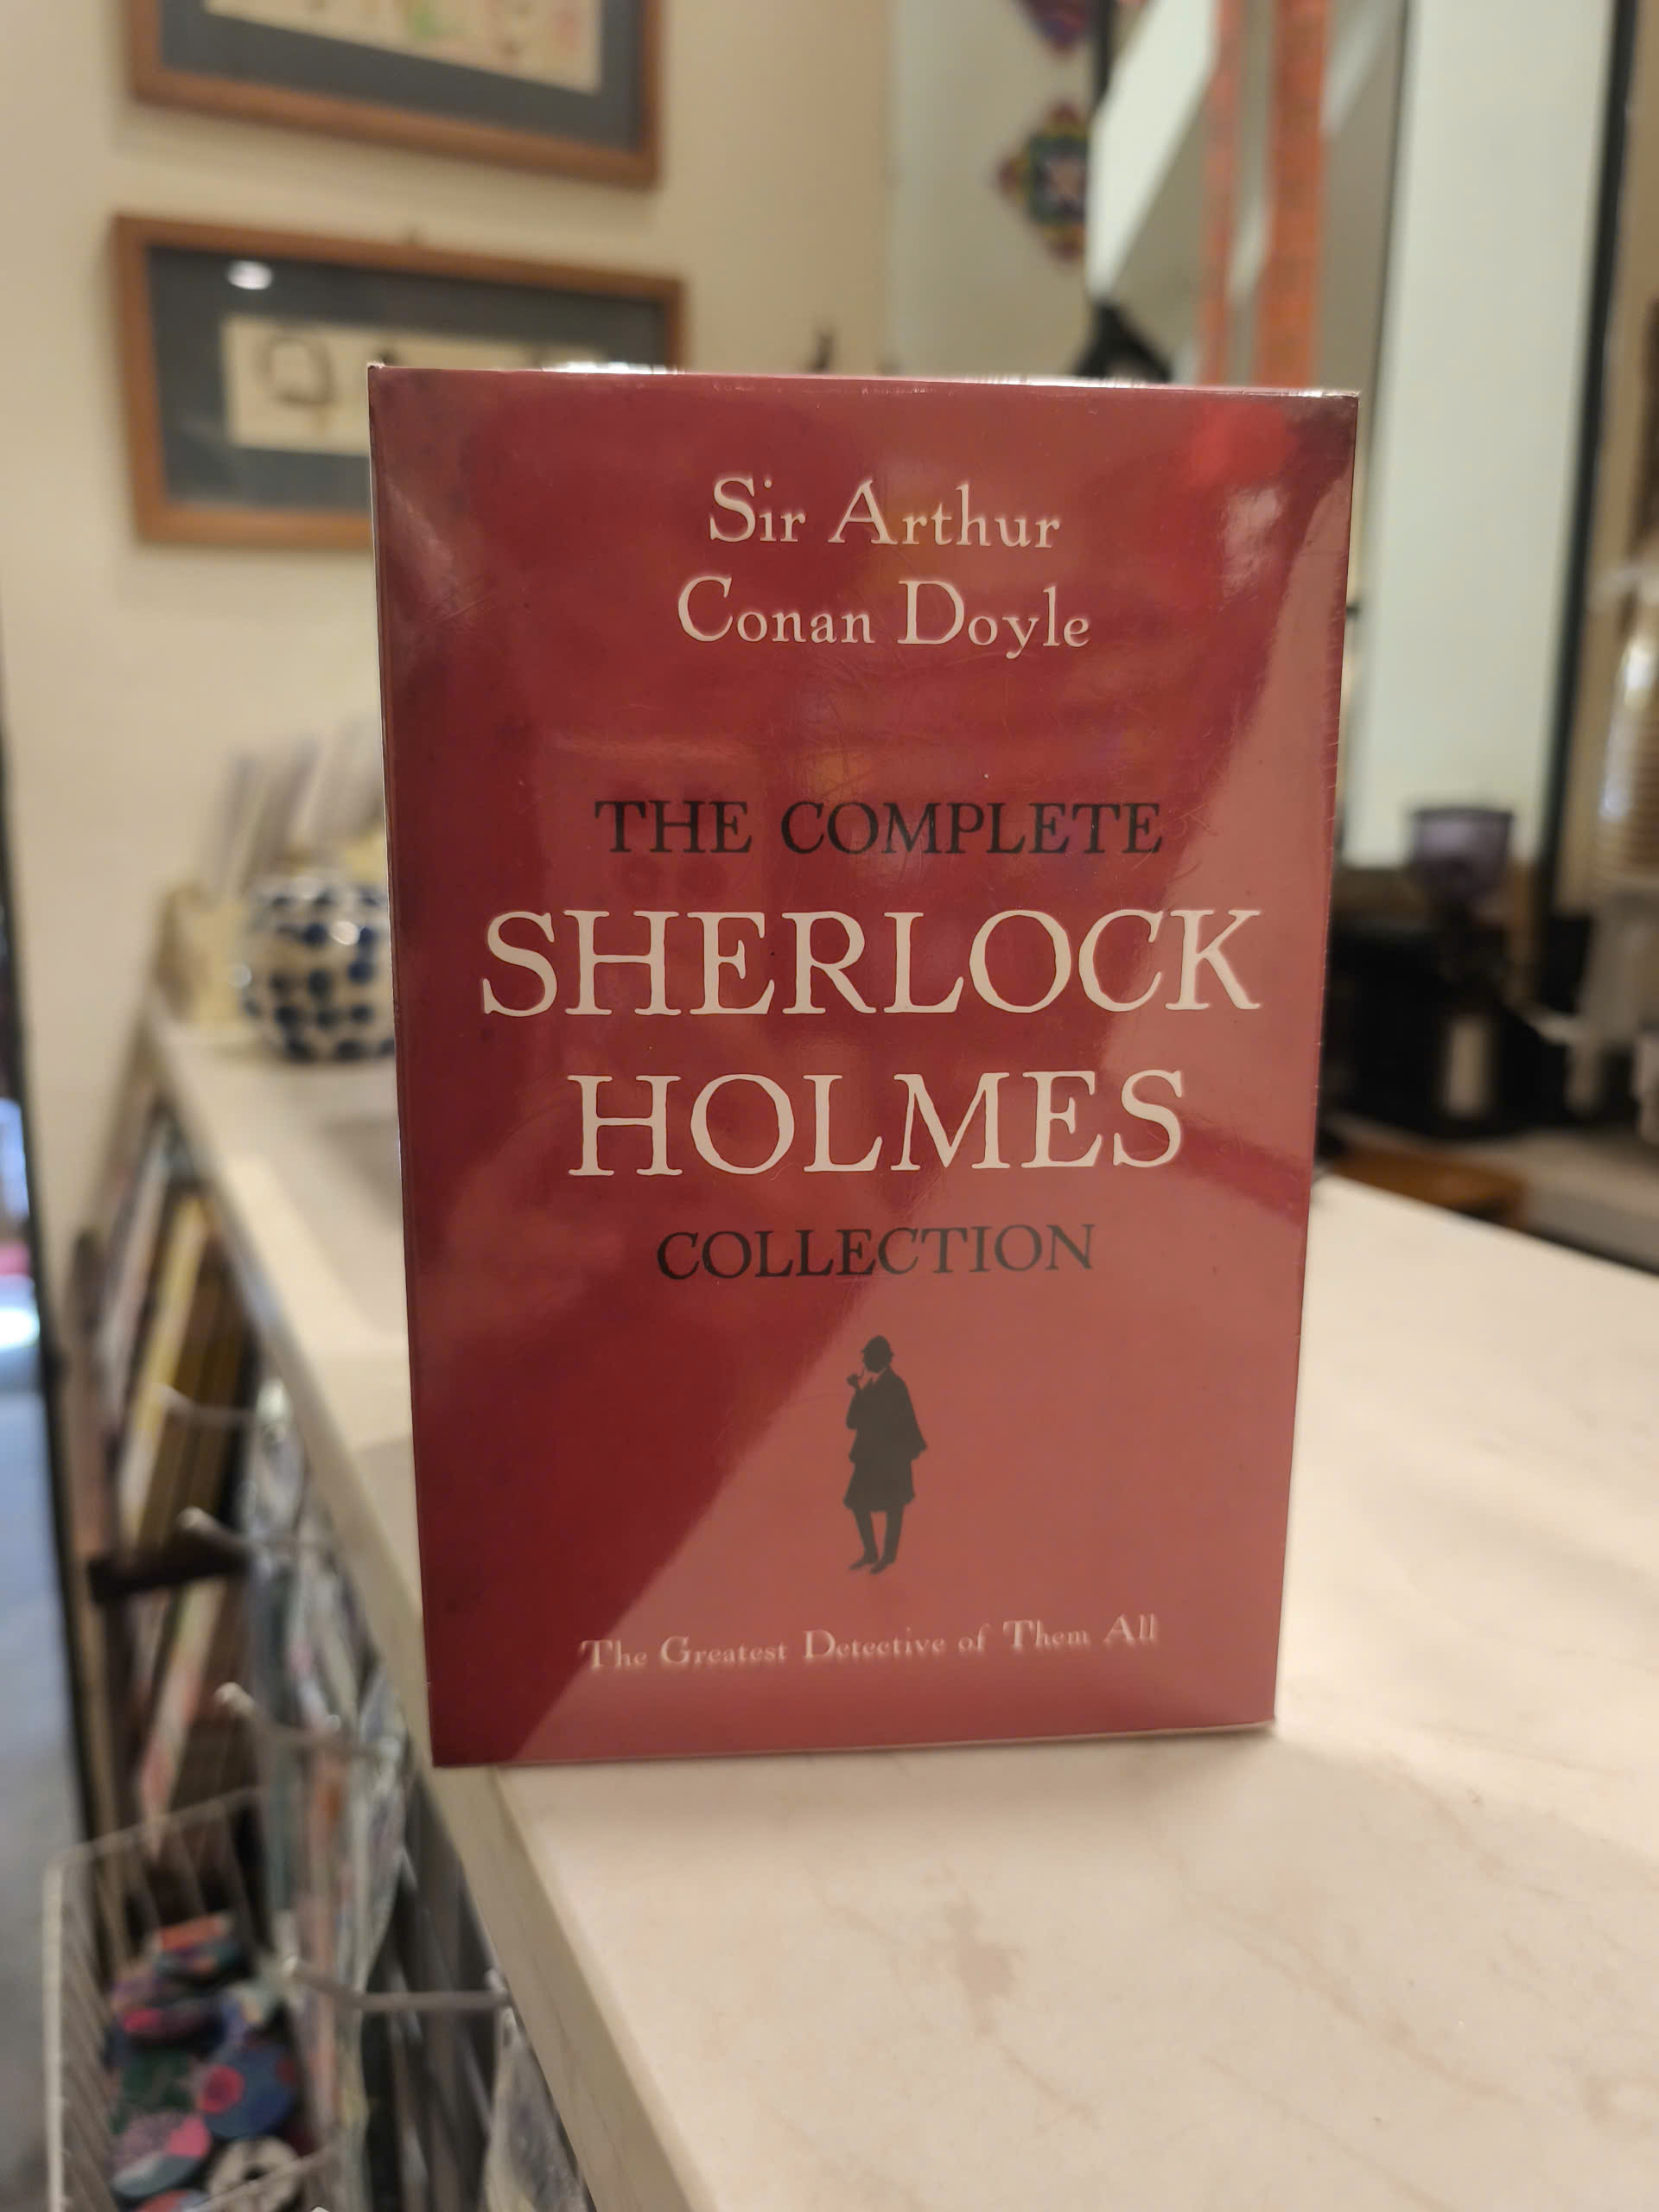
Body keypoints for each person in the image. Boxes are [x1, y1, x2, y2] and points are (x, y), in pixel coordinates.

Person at [843, 1336, 925, 1573]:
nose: (865, 1361)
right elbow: (852, 1422)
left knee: (893, 1506)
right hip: (870, 1460)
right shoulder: (869, 1386)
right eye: (865, 1357)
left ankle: (888, 1556)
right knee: (858, 1503)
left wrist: (861, 1394)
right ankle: (871, 1552)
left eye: (869, 1357)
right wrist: (858, 1391)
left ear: (882, 1359)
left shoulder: (895, 1385)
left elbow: (885, 1419)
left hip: (891, 1460)